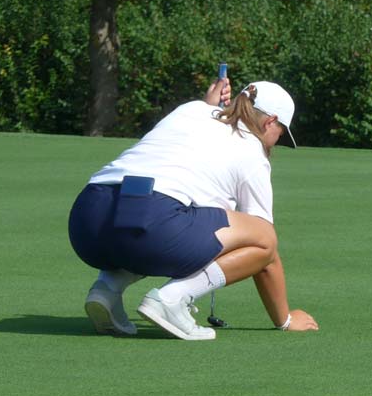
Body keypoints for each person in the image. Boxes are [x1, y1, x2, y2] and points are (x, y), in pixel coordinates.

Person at [67, 75, 319, 340]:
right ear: (269, 121)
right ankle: (172, 299)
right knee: (263, 236)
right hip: (155, 221)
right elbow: (266, 250)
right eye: (280, 133)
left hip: (88, 219)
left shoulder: (190, 109)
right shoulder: (253, 153)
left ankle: (106, 289)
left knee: (155, 225)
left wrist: (208, 102)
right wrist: (285, 319)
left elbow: (201, 121)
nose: (275, 142)